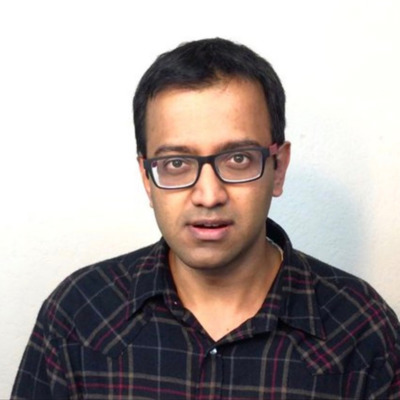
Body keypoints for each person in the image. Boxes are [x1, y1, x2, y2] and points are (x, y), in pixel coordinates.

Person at [11, 38, 400, 400]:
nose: (209, 195)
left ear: (278, 168)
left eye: (238, 159)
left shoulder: (362, 328)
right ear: (147, 178)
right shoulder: (79, 314)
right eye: (176, 163)